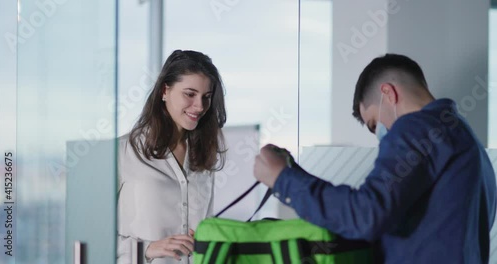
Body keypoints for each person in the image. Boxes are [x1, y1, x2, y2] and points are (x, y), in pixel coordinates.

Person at [253, 54, 497, 263]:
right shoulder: (466, 141)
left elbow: (367, 214)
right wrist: (295, 172)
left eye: (374, 124)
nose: (381, 135)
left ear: (388, 93)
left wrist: (283, 179)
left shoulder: (416, 128)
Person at [117, 50, 227, 264]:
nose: (200, 106)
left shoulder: (203, 156)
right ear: (164, 91)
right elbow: (91, 235)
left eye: (206, 97)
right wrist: (147, 249)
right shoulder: (122, 152)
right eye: (189, 94)